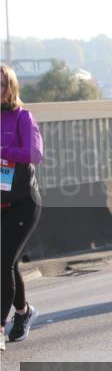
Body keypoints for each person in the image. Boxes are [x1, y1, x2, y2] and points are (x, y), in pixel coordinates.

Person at [1, 65, 43, 348]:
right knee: (9, 264)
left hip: (23, 204)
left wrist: (2, 151)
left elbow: (34, 153)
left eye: (1, 83)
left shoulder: (22, 117)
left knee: (2, 263)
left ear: (11, 87)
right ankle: (24, 312)